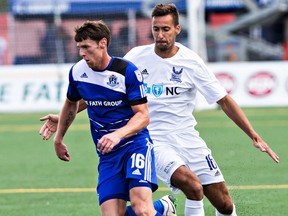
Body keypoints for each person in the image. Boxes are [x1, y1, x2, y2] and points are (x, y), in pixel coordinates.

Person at [40, 4, 279, 216]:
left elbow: (224, 100)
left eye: (165, 29)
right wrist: (63, 118)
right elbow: (108, 89)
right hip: (151, 139)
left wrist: (254, 136)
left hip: (187, 137)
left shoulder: (191, 61)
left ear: (177, 29)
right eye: (156, 29)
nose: (160, 34)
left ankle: (164, 208)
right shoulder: (136, 57)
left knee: (224, 204)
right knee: (192, 186)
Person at [45, 19, 177, 216]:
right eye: (80, 47)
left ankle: (156, 209)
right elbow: (71, 103)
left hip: (135, 145)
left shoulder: (127, 72)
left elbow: (143, 116)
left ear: (103, 43)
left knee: (142, 210)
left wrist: (118, 135)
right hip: (107, 154)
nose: (82, 53)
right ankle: (163, 208)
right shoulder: (78, 72)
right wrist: (59, 138)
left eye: (86, 47)